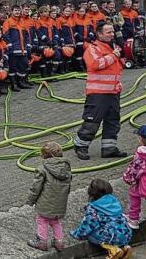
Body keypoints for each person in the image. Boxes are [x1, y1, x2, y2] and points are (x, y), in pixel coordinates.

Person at [74, 23, 128, 160]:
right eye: (108, 32)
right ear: (99, 34)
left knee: (113, 121)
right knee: (92, 121)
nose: (112, 34)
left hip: (113, 92)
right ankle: (81, 146)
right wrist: (113, 55)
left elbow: (117, 68)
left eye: (112, 32)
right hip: (97, 93)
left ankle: (109, 148)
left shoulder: (114, 47)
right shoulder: (93, 48)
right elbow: (95, 64)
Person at [25, 142, 72, 252]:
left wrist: (30, 200)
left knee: (42, 220)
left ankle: (42, 242)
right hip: (60, 202)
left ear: (44, 156)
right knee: (56, 221)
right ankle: (59, 242)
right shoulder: (66, 167)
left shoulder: (42, 169)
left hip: (45, 203)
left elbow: (36, 187)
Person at [70, 179, 132, 258]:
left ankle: (114, 250)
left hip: (111, 236)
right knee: (113, 229)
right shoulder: (113, 200)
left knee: (91, 235)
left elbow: (89, 224)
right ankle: (125, 248)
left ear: (91, 192)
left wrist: (78, 234)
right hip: (125, 233)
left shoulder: (93, 207)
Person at [122, 125, 146, 229]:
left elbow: (134, 170)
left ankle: (133, 219)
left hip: (142, 182)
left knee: (134, 194)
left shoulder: (140, 153)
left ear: (140, 139)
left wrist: (127, 178)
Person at [3, 5, 32, 90]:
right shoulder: (7, 22)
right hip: (13, 49)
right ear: (12, 11)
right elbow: (5, 35)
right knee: (13, 67)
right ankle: (13, 84)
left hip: (23, 49)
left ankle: (21, 82)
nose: (17, 12)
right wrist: (9, 45)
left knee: (23, 65)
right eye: (15, 10)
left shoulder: (22, 21)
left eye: (18, 10)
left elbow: (26, 35)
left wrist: (27, 45)